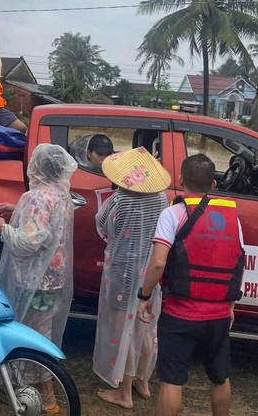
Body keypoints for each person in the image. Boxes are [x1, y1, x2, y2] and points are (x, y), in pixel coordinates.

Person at [137, 154, 244, 416]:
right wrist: (230, 305)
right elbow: (237, 261)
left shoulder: (173, 213)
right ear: (214, 184)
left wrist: (144, 296)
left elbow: (158, 263)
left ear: (181, 179)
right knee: (220, 377)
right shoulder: (233, 218)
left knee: (172, 380)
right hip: (218, 314)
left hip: (180, 313)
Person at [0, 143, 76, 413]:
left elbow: (28, 242)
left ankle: (42, 396)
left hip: (33, 280)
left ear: (37, 167)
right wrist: (17, 208)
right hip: (53, 279)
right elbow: (47, 223)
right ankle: (45, 394)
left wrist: (3, 228)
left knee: (29, 337)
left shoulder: (37, 198)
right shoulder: (61, 194)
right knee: (42, 333)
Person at [93, 147, 171, 409]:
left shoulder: (119, 199)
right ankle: (143, 381)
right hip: (150, 271)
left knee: (123, 329)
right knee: (145, 326)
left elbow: (102, 225)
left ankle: (124, 393)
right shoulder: (161, 198)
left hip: (122, 270)